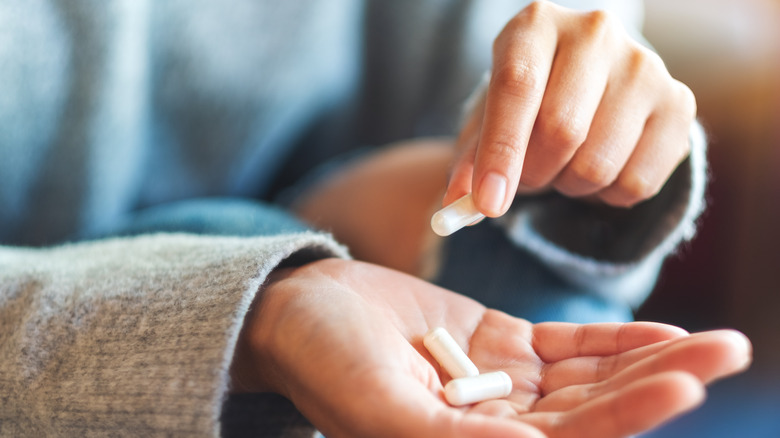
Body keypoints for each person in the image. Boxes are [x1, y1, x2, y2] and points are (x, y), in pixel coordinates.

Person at [0, 1, 750, 437]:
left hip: (347, 244)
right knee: (236, 233)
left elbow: (450, 179)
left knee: (523, 281)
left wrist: (598, 146)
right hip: (47, 343)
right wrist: (247, 310)